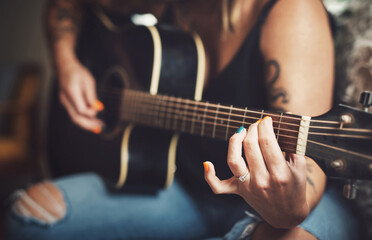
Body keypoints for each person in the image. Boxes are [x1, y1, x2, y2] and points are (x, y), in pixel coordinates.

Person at [5, 0, 359, 239]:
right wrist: (68, 66)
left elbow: (309, 169)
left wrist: (284, 215)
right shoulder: (172, 4)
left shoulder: (291, 11)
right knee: (26, 218)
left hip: (282, 201)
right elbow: (67, 5)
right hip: (183, 186)